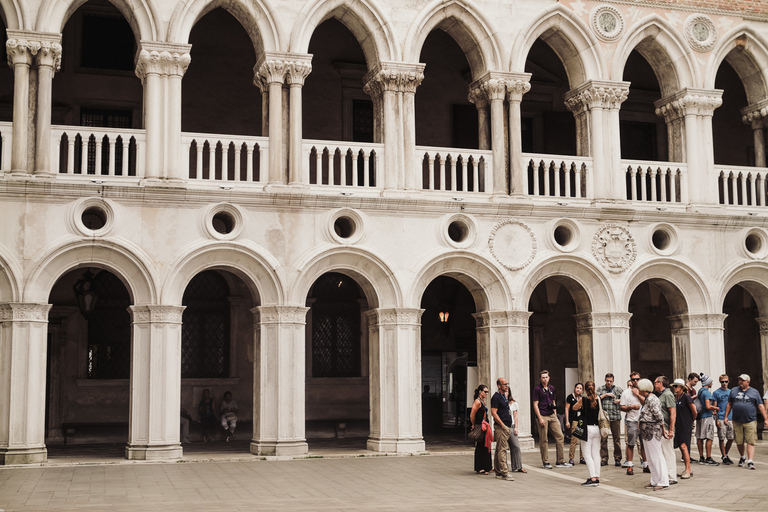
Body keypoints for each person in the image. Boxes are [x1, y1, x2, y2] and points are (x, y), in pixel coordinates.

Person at [724, 374, 768, 470]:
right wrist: (726, 417)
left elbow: (760, 405)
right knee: (739, 441)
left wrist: (766, 419)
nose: (740, 382)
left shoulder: (754, 392)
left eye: (742, 380)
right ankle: (742, 457)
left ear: (748, 382)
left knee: (750, 441)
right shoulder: (734, 391)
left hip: (750, 420)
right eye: (739, 380)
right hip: (737, 420)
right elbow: (729, 404)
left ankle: (750, 460)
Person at [532, 370, 571, 469]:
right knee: (544, 439)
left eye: (546, 377)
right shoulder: (537, 389)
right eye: (543, 378)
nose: (545, 379)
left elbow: (553, 401)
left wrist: (555, 414)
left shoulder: (551, 388)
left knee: (560, 436)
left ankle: (560, 461)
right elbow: (535, 404)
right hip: (542, 415)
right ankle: (545, 462)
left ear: (549, 378)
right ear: (540, 379)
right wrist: (540, 418)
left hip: (551, 414)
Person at [636, 379, 669, 491]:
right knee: (650, 457)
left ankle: (663, 481)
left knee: (657, 456)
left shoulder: (652, 399)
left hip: (653, 430)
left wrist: (663, 429)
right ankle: (655, 480)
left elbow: (659, 415)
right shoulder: (647, 399)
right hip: (647, 431)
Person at [572, 380, 601, 486]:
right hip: (597, 428)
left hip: (587, 429)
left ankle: (593, 477)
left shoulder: (583, 400)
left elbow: (574, 407)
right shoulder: (599, 399)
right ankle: (597, 476)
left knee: (587, 454)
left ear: (584, 389)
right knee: (596, 453)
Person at [654, 376, 678, 485]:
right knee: (663, 452)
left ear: (660, 383)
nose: (654, 385)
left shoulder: (668, 395)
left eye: (655, 383)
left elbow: (673, 413)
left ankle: (671, 476)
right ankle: (666, 475)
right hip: (662, 428)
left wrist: (671, 429)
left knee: (668, 452)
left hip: (667, 428)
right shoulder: (662, 395)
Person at [619, 372, 644, 475]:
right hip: (631, 421)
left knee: (644, 444)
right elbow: (621, 407)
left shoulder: (643, 391)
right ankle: (629, 465)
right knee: (631, 444)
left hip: (643, 420)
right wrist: (631, 407)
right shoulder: (625, 393)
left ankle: (646, 464)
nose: (635, 381)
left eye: (637, 379)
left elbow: (646, 402)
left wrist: (637, 394)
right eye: (633, 379)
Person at [597, 373, 623, 467]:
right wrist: (606, 394)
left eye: (610, 381)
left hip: (615, 416)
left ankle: (617, 458)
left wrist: (619, 401)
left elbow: (625, 398)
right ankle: (604, 458)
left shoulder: (618, 389)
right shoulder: (600, 389)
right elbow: (597, 398)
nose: (609, 382)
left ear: (613, 381)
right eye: (607, 381)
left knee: (617, 439)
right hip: (604, 417)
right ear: (605, 380)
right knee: (604, 438)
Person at [490, 378, 514, 481]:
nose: (506, 386)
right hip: (501, 427)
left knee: (499, 449)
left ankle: (498, 471)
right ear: (499, 386)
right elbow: (493, 413)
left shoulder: (503, 396)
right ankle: (504, 472)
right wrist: (503, 425)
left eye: (507, 384)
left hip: (506, 425)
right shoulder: (496, 397)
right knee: (502, 449)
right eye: (504, 384)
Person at [673, 378, 696, 479]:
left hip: (685, 423)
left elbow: (694, 411)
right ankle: (686, 469)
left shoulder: (686, 397)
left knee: (684, 446)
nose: (674, 388)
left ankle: (688, 469)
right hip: (678, 424)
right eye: (674, 386)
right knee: (681, 446)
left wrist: (691, 421)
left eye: (676, 386)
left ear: (681, 387)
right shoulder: (676, 397)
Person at [695, 373, 720, 465]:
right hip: (707, 417)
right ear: (708, 382)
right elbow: (708, 406)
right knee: (709, 437)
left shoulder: (700, 391)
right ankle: (708, 458)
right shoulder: (706, 392)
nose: (712, 383)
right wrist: (716, 408)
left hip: (700, 417)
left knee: (699, 437)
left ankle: (701, 457)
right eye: (711, 382)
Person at [469, 385, 492, 475]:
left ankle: (487, 466)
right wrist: (474, 424)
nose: (486, 393)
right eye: (485, 392)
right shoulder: (477, 402)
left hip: (484, 425)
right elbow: (472, 414)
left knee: (485, 445)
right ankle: (480, 467)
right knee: (480, 445)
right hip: (480, 425)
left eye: (487, 392)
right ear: (480, 391)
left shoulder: (482, 401)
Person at [713, 374, 735, 465]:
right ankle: (724, 456)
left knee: (731, 438)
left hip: (731, 417)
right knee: (721, 438)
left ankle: (725, 454)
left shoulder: (731, 392)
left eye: (726, 381)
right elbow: (714, 407)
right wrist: (716, 419)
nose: (724, 383)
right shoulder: (716, 393)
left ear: (728, 381)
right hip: (721, 417)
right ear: (720, 382)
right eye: (723, 382)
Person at [506, 388, 527, 474]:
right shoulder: (500, 402)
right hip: (503, 426)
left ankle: (518, 466)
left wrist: (516, 428)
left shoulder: (513, 404)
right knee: (502, 448)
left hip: (511, 426)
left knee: (516, 446)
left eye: (507, 391)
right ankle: (503, 467)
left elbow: (515, 416)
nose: (505, 393)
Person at [566, 383, 584, 466]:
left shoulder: (582, 399)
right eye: (577, 387)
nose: (578, 389)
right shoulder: (570, 397)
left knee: (582, 440)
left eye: (580, 388)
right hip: (574, 420)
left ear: (582, 390)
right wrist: (567, 421)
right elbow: (567, 409)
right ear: (574, 388)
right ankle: (571, 458)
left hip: (581, 420)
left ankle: (582, 457)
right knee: (574, 440)